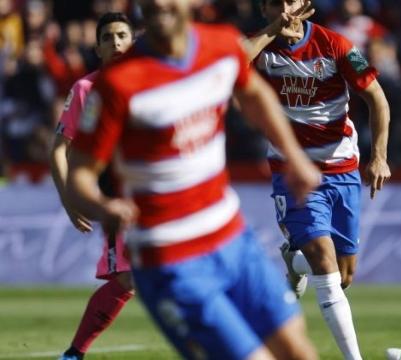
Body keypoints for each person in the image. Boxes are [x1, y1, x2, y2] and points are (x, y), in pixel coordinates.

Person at [65, 0, 320, 359]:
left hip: (231, 238)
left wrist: (295, 158)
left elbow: (254, 93)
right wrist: (103, 206)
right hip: (169, 259)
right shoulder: (115, 85)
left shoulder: (219, 45)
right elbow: (78, 173)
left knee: (299, 349)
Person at [245, 1, 392, 359]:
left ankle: (294, 261)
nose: (284, 7)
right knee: (325, 266)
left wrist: (379, 157)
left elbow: (377, 99)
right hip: (292, 171)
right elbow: (227, 63)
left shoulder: (336, 45)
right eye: (274, 2)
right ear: (264, 9)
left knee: (343, 274)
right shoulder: (261, 51)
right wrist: (269, 32)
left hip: (342, 168)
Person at [49, 12, 135, 360]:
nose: (115, 43)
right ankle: (74, 354)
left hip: (162, 197)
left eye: (122, 36)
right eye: (107, 37)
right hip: (119, 200)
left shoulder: (153, 83)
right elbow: (59, 147)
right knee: (128, 279)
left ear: (133, 41)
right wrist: (69, 199)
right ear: (97, 48)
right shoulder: (86, 90)